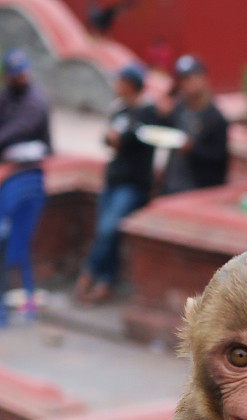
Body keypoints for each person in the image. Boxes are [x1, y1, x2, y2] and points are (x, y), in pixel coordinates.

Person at [75, 63, 158, 304]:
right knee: (105, 232)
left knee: (108, 230)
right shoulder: (119, 109)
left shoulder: (147, 112)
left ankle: (89, 274)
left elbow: (130, 140)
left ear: (130, 84)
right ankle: (105, 280)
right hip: (113, 179)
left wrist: (119, 139)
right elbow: (109, 139)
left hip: (133, 183)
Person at [0, 49, 50, 325]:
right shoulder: (7, 97)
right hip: (14, 179)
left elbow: (18, 129)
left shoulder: (35, 101)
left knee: (15, 246)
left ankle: (18, 305)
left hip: (27, 180)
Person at [160, 55, 228, 195]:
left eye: (190, 78)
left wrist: (193, 149)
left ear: (203, 78)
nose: (187, 84)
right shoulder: (178, 110)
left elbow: (220, 156)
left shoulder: (215, 117)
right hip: (172, 185)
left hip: (197, 189)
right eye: (183, 79)